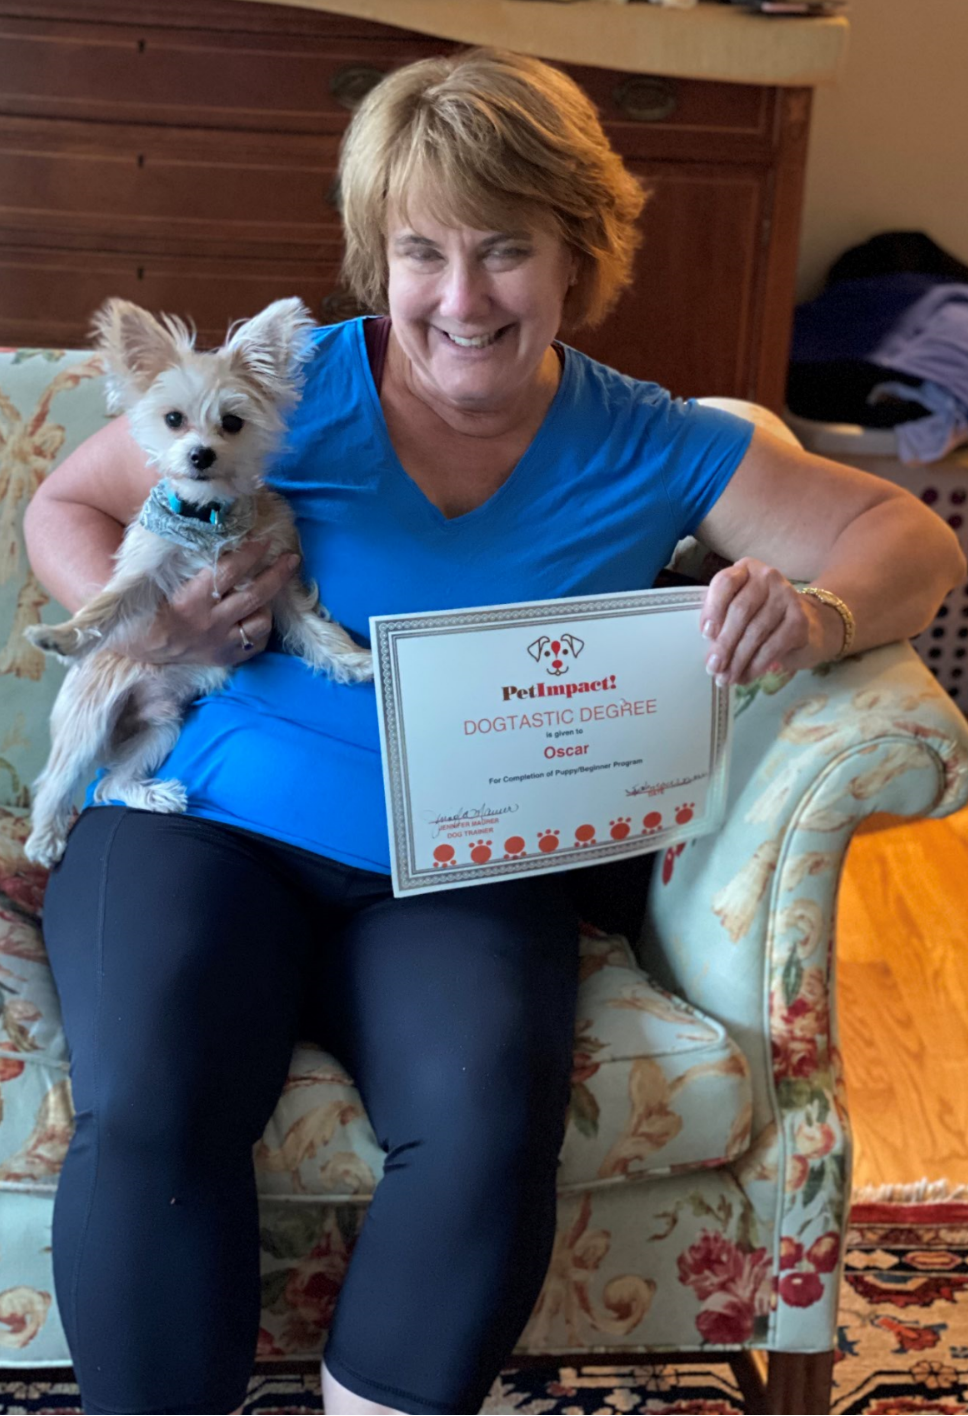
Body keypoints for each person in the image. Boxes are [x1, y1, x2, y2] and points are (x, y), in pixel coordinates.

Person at [24, 46, 966, 1416]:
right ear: (377, 259)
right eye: (422, 253)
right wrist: (148, 631)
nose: (460, 299)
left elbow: (910, 536)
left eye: (506, 251)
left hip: (470, 865)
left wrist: (816, 617)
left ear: (577, 259)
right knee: (156, 1101)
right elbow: (69, 508)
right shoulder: (278, 399)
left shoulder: (657, 441)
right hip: (201, 823)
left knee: (482, 1125)